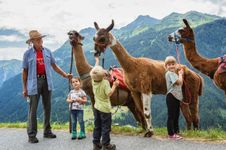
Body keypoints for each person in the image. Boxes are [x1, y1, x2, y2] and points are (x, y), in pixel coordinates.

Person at [22, 30, 72, 143]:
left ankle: (47, 131)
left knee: (47, 108)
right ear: (32, 42)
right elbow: (24, 71)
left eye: (40, 38)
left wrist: (65, 75)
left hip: (47, 82)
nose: (40, 40)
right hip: (33, 83)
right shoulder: (27, 54)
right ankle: (31, 135)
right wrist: (24, 88)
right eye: (37, 39)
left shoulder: (48, 52)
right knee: (32, 110)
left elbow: (54, 66)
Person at [90, 56, 119, 150]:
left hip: (96, 107)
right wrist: (114, 85)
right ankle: (106, 145)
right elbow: (109, 93)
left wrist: (97, 61)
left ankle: (96, 143)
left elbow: (95, 71)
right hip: (105, 109)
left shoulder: (93, 80)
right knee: (106, 127)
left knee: (97, 126)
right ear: (103, 75)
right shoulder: (105, 83)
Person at [164, 56, 184, 140]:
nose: (171, 66)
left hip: (176, 97)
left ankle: (176, 131)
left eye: (173, 64)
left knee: (176, 115)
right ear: (166, 66)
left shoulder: (173, 74)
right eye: (169, 64)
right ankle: (171, 134)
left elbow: (180, 83)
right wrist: (180, 75)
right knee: (171, 116)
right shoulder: (170, 73)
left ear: (176, 65)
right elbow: (179, 82)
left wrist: (179, 74)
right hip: (172, 96)